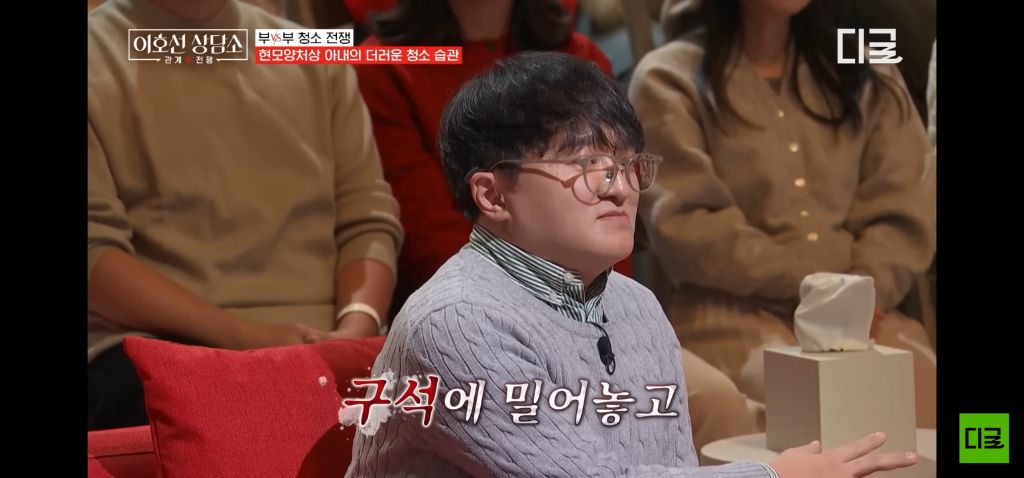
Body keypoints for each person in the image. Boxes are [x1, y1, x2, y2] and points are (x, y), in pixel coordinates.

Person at [346, 51, 917, 478]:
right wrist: (772, 475)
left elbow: (672, 464)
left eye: (627, 165)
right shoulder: (457, 321)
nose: (620, 188)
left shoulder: (635, 303)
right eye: (586, 165)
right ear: (493, 195)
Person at [87, 0, 402, 430]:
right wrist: (249, 339)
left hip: (331, 340)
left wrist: (356, 328)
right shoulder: (98, 53)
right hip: (164, 348)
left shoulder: (309, 51)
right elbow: (96, 257)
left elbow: (366, 216)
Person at [629, 0, 936, 428]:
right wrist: (817, 289)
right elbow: (688, 224)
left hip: (867, 313)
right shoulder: (667, 76)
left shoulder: (868, 67)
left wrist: (859, 294)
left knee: (943, 412)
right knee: (812, 410)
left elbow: (902, 205)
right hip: (730, 314)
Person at [354, 0, 622, 316]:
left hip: (598, 303)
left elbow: (612, 214)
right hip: (469, 309)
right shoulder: (381, 67)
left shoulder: (583, 57)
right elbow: (430, 238)